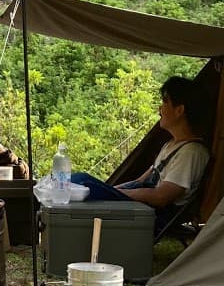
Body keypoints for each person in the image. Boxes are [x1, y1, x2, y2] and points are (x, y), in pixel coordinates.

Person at [70, 76, 210, 235]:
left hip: (153, 214)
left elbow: (161, 197)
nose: (160, 108)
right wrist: (111, 191)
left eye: (165, 102)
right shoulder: (171, 145)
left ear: (179, 110)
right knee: (82, 183)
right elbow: (139, 181)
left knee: (80, 181)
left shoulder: (191, 152)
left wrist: (120, 194)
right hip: (142, 205)